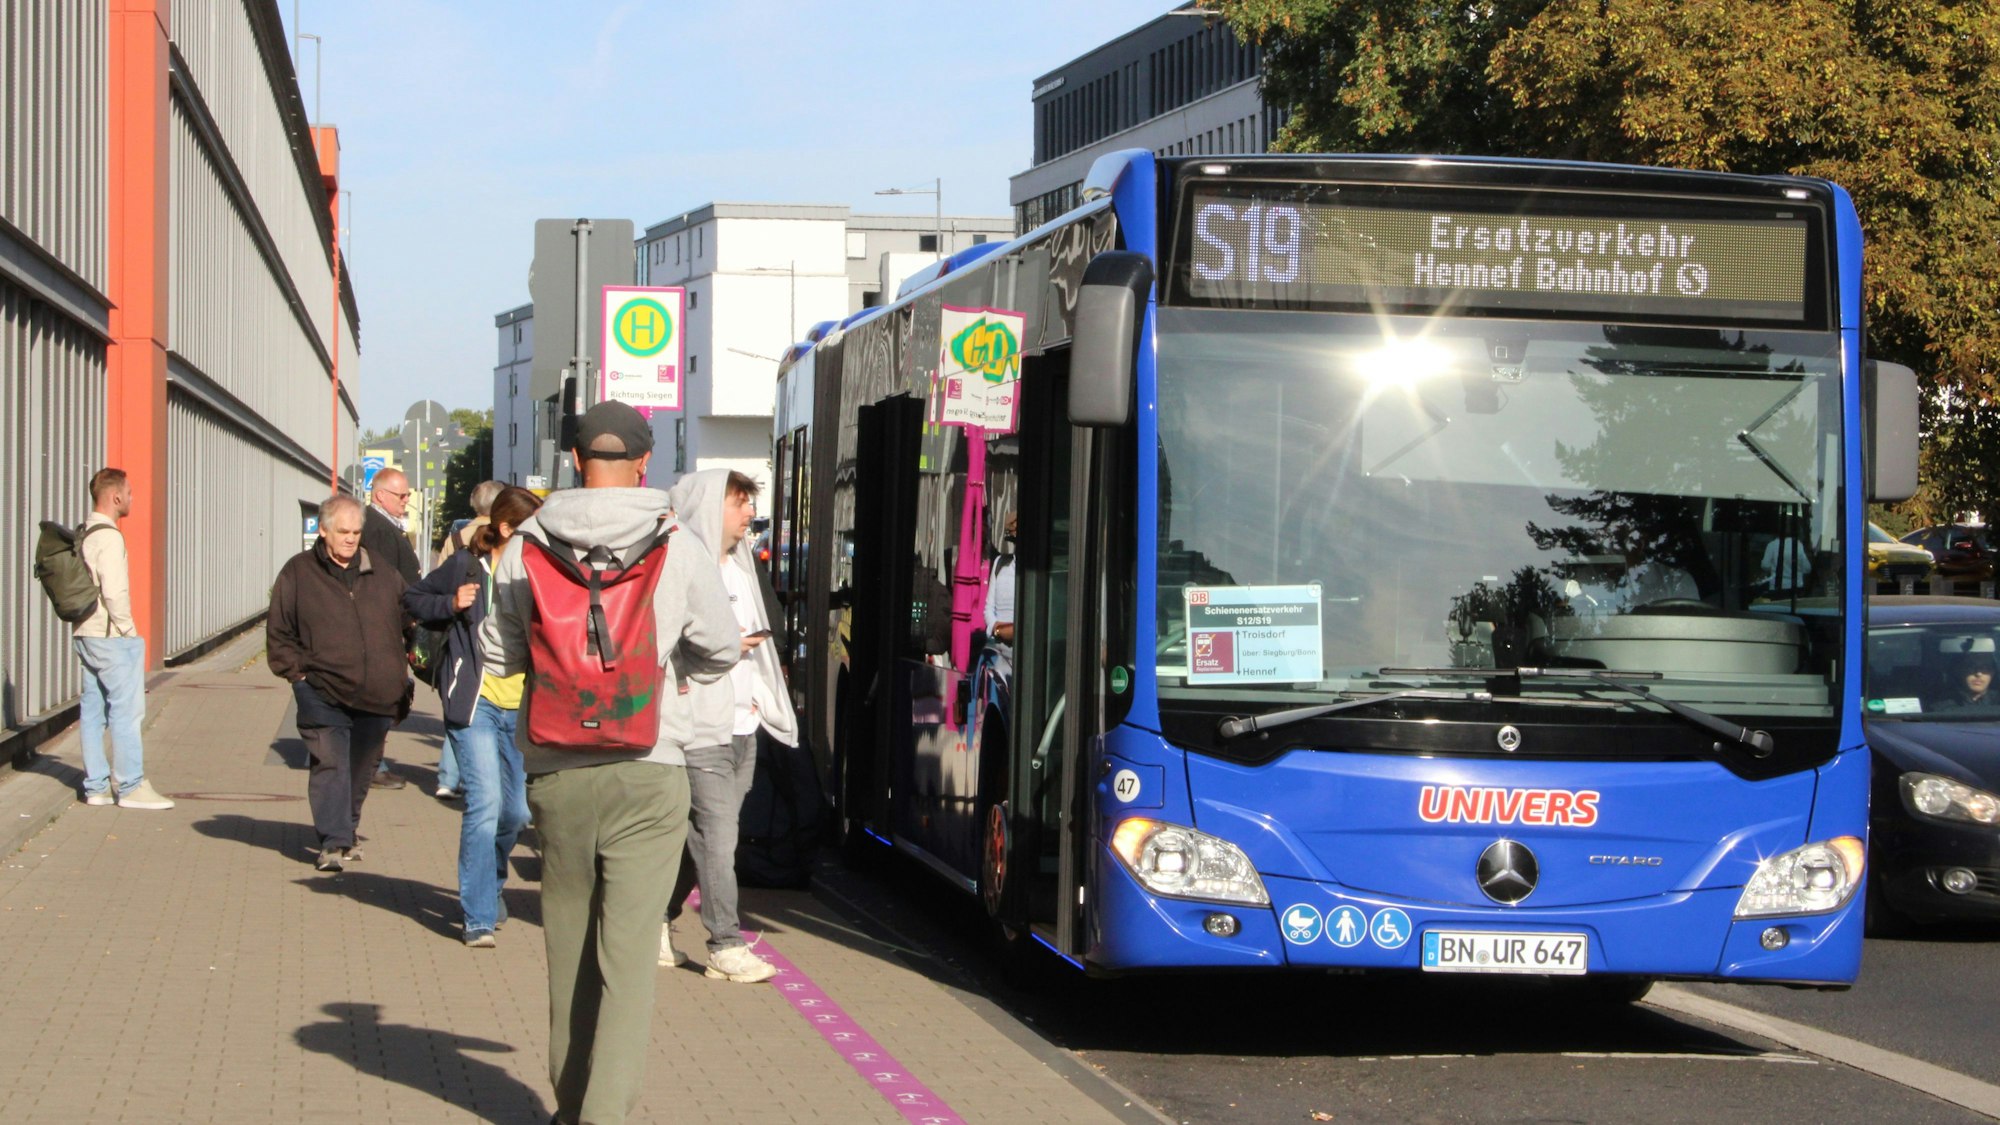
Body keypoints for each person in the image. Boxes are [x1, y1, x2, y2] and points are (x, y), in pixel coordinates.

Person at [480, 401, 739, 1125]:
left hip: (558, 769)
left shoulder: (524, 543)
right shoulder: (676, 542)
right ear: (644, 462)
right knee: (628, 957)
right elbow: (719, 646)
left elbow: (499, 653)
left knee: (568, 949)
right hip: (650, 764)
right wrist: (669, 657)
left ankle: (567, 1106)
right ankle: (604, 1114)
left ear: (570, 458)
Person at [660, 470, 800, 983]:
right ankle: (724, 944)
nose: (748, 516)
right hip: (701, 726)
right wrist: (721, 645)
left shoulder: (744, 570)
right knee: (718, 838)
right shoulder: (680, 566)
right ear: (708, 507)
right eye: (739, 505)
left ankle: (656, 917)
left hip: (745, 726)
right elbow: (666, 637)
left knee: (707, 838)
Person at [405, 485, 542, 946]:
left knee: (518, 813)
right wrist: (450, 604)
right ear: (506, 529)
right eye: (530, 529)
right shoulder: (467, 564)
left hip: (522, 706)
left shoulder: (537, 570)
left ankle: (491, 880)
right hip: (475, 703)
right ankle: (479, 916)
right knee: (483, 807)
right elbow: (413, 599)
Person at [268, 495, 412, 872]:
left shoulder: (380, 570)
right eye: (343, 532)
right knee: (330, 763)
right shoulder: (298, 572)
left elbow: (409, 615)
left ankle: (345, 831)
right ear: (324, 530)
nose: (351, 539)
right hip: (321, 690)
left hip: (376, 692)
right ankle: (333, 841)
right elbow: (279, 632)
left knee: (361, 767)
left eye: (356, 532)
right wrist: (299, 674)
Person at [71, 468, 173, 810]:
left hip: (85, 632)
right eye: (129, 493)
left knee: (92, 710)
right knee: (127, 712)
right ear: (115, 497)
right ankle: (130, 785)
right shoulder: (111, 537)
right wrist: (129, 632)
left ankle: (96, 787)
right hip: (110, 636)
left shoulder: (84, 532)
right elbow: (114, 592)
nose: (131, 498)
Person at [363, 468, 423, 791]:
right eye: (401, 496)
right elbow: (386, 583)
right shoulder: (380, 531)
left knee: (388, 697)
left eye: (408, 495)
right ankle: (372, 764)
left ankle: (373, 761)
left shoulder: (385, 526)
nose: (406, 501)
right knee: (384, 697)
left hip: (391, 625)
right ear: (380, 496)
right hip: (386, 629)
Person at [435, 479, 505, 570]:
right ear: (501, 503)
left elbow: (441, 578)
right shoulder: (506, 535)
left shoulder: (454, 540)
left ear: (473, 503)